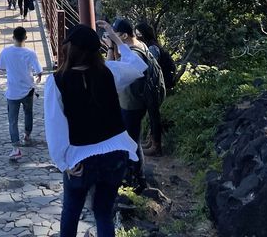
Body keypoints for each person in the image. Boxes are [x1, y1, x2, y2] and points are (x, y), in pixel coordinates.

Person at [45, 23, 147, 237]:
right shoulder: (110, 72)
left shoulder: (57, 81)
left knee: (71, 212)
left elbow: (55, 126)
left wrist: (62, 162)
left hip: (81, 157)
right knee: (103, 212)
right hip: (115, 154)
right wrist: (117, 41)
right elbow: (138, 66)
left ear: (69, 49)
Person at [108, 19, 150, 189]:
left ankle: (138, 179)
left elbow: (111, 70)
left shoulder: (135, 53)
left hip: (131, 103)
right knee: (132, 139)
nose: (113, 38)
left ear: (124, 35)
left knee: (132, 141)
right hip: (135, 100)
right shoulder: (140, 46)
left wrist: (111, 47)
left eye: (115, 35)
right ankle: (134, 176)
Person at [0, 26, 42, 160]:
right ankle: (27, 135)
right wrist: (38, 76)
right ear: (26, 38)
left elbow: (1, 67)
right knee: (28, 113)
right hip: (28, 89)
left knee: (13, 121)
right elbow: (39, 70)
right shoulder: (30, 53)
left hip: (12, 91)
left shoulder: (5, 52)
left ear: (13, 37)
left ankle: (16, 148)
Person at [135, 22, 175, 156]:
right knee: (152, 115)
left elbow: (150, 67)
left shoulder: (152, 48)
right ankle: (151, 141)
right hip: (156, 85)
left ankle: (156, 145)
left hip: (155, 86)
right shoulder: (153, 45)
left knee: (154, 115)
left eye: (139, 33)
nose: (137, 36)